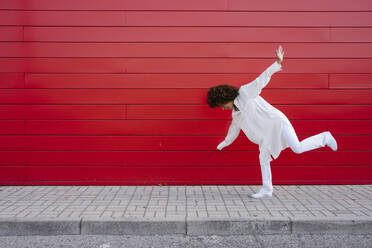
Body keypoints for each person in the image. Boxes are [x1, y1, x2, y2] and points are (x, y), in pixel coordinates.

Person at [206, 45, 337, 198]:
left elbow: (259, 81)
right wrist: (225, 143)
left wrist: (277, 63)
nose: (222, 109)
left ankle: (325, 137)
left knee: (297, 148)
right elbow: (233, 130)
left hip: (278, 123)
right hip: (267, 134)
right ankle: (267, 189)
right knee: (263, 157)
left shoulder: (245, 93)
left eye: (222, 105)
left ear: (225, 99)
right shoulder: (236, 113)